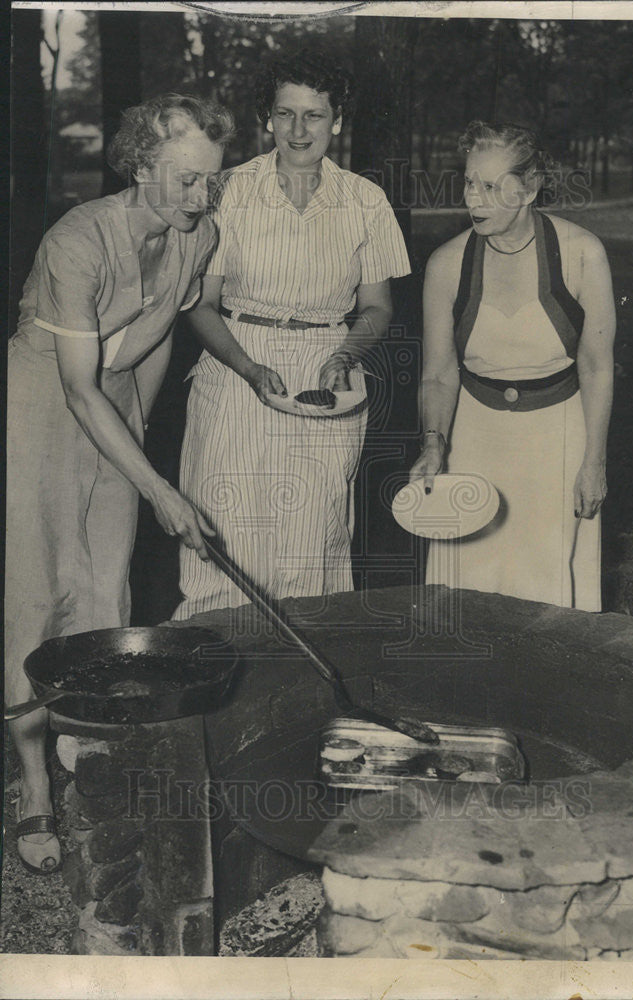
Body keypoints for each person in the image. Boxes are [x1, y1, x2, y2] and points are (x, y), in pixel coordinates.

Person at [5, 93, 235, 874]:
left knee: (106, 588)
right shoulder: (78, 240)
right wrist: (162, 488)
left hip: (117, 401)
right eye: (182, 180)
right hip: (43, 400)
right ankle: (33, 786)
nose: (198, 198)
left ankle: (92, 761)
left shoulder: (195, 234)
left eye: (210, 181)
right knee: (36, 592)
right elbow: (75, 387)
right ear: (139, 165)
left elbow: (158, 337)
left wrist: (136, 438)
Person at [173, 48, 410, 619]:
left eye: (315, 115)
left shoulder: (365, 200)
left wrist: (344, 355)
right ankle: (218, 679)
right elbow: (201, 305)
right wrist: (250, 367)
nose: (299, 130)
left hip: (328, 375)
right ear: (268, 118)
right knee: (223, 538)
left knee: (314, 539)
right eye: (285, 114)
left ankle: (308, 692)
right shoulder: (227, 190)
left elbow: (376, 307)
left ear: (338, 120)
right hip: (236, 366)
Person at [409, 121, 615, 610]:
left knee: (548, 594)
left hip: (558, 437)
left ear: (530, 189)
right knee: (468, 590)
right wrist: (434, 445)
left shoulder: (583, 254)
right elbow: (439, 373)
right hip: (475, 438)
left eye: (492, 186)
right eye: (468, 182)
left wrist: (594, 462)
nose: (473, 200)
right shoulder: (446, 264)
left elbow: (596, 367)